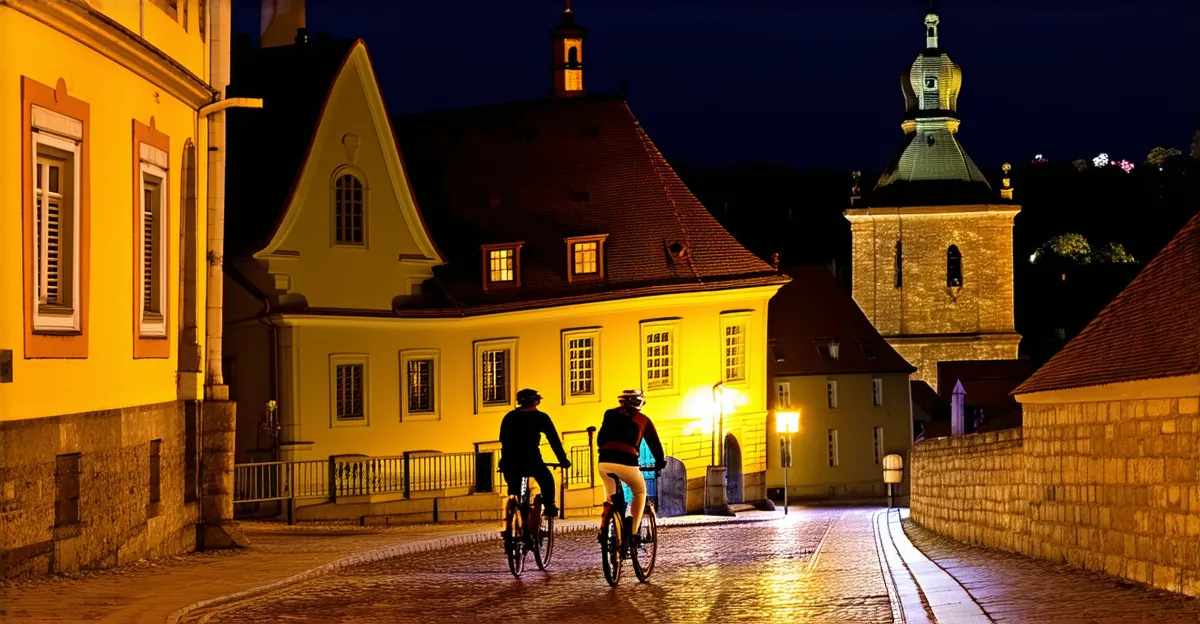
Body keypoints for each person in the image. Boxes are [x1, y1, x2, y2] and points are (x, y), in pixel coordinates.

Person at [597, 389, 666, 544]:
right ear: (640, 403)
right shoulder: (643, 420)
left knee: (615, 498)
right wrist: (660, 462)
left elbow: (600, 440)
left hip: (604, 462)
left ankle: (611, 523)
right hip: (627, 463)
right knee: (640, 492)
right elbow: (654, 444)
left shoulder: (609, 414)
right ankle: (633, 534)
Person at [499, 388, 571, 517]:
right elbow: (554, 440)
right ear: (536, 402)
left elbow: (503, 440)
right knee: (547, 480)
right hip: (531, 460)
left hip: (509, 462)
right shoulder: (540, 417)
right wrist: (563, 460)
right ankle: (549, 506)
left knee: (514, 489)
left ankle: (512, 507)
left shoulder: (509, 417)